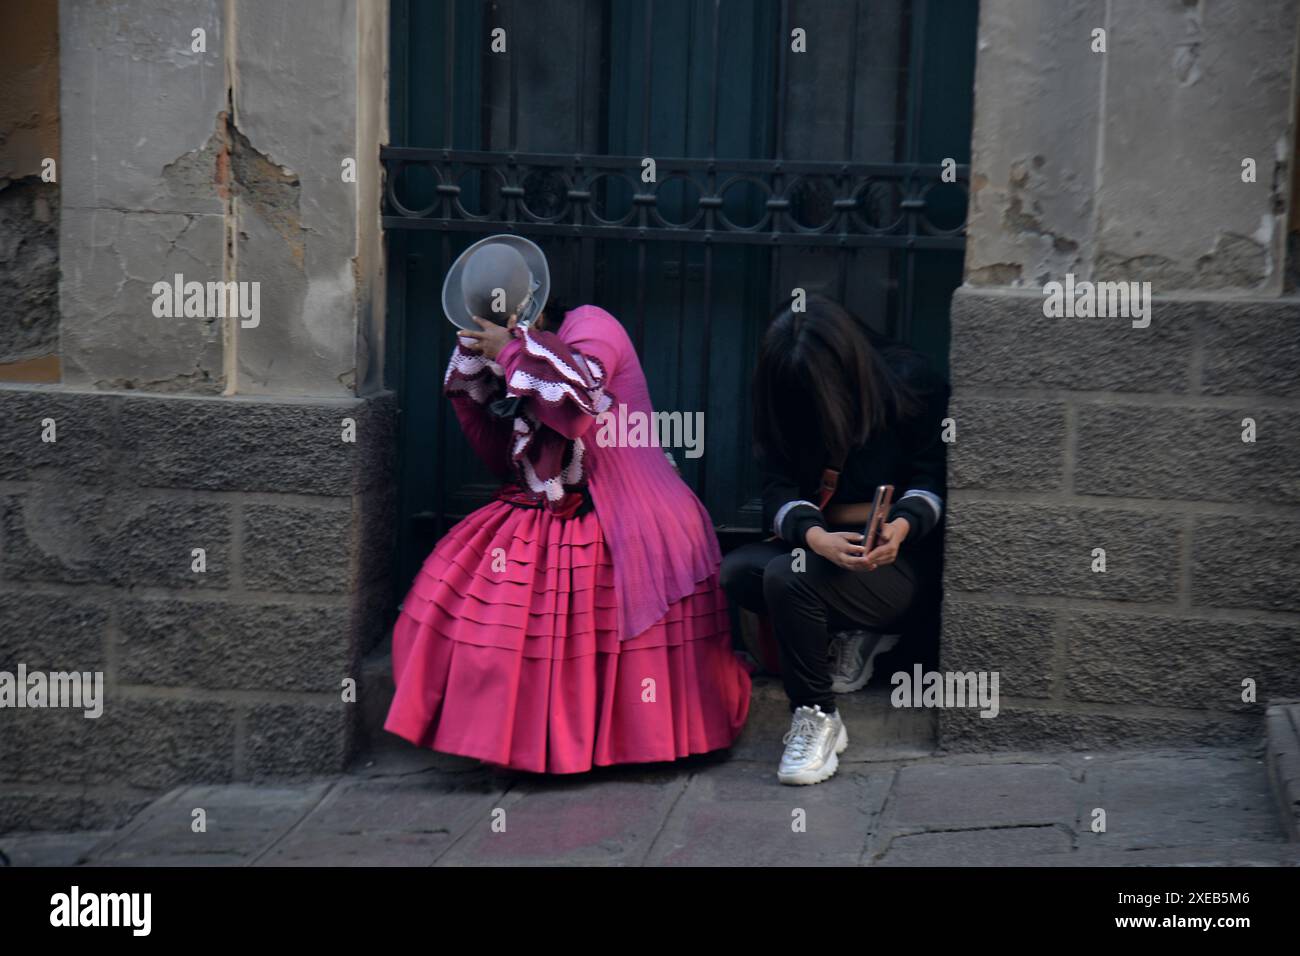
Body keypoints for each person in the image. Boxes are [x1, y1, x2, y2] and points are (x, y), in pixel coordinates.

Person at [384, 236, 751, 773]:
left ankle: (613, 743)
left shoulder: (593, 326)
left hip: (630, 506)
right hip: (546, 498)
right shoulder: (508, 354)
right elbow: (499, 458)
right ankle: (512, 741)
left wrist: (515, 353)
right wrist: (478, 386)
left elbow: (577, 411)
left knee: (572, 590)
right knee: (458, 590)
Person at [721, 294, 949, 785]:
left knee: (787, 576)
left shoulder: (909, 382)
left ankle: (816, 715)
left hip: (897, 562)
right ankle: (845, 644)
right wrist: (818, 537)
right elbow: (776, 489)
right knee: (741, 572)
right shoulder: (783, 391)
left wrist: (902, 526)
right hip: (822, 554)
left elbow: (934, 479)